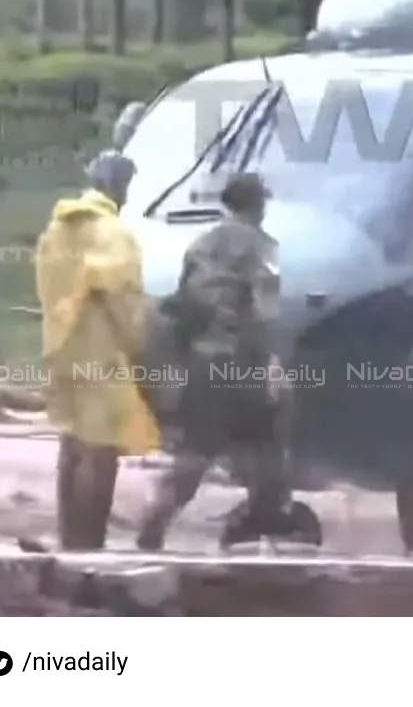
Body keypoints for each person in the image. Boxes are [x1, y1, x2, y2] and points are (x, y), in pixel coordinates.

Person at [135, 172, 297, 550]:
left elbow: (180, 305)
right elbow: (263, 310)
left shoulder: (201, 245)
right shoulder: (261, 248)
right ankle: (260, 534)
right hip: (244, 363)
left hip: (204, 363)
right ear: (258, 204)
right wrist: (273, 363)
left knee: (195, 451)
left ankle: (157, 513)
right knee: (269, 452)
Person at [36, 150, 157, 551]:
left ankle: (68, 540)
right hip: (101, 352)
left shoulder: (56, 228)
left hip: (60, 347)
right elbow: (121, 296)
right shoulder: (112, 232)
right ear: (117, 186)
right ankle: (90, 544)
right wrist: (138, 344)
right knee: (101, 448)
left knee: (71, 441)